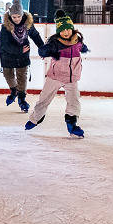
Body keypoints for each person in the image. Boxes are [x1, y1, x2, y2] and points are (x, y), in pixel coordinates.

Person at [25, 10, 89, 138]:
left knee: (74, 101)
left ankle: (72, 124)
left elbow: (82, 47)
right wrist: (44, 50)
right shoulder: (55, 44)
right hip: (55, 77)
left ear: (72, 29)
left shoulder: (77, 41)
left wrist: (84, 48)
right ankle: (35, 118)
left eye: (68, 29)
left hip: (71, 79)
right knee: (44, 99)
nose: (65, 32)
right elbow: (44, 51)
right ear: (58, 31)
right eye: (62, 30)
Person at [0, 0, 44, 113]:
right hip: (8, 55)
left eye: (18, 17)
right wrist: (20, 49)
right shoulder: (5, 26)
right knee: (8, 75)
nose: (16, 19)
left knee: (22, 76)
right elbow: (5, 45)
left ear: (22, 15)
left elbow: (35, 36)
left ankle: (22, 99)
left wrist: (43, 48)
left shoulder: (28, 24)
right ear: (10, 16)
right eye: (14, 17)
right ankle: (14, 91)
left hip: (22, 55)